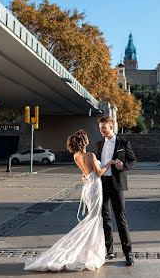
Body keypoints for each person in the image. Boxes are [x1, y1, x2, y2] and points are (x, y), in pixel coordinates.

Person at [24, 130, 114, 272]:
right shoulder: (90, 155)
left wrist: (86, 177)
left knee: (93, 219)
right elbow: (99, 172)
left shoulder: (76, 156)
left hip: (87, 189)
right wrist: (109, 162)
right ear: (84, 141)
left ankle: (87, 251)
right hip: (95, 188)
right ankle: (84, 251)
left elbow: (85, 175)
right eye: (87, 138)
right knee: (94, 219)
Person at [85, 116, 136, 266]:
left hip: (117, 184)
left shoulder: (123, 143)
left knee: (120, 218)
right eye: (100, 128)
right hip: (102, 184)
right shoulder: (98, 145)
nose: (101, 131)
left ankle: (128, 253)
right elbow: (95, 166)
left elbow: (133, 161)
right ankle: (109, 250)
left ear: (111, 127)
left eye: (104, 128)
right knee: (105, 218)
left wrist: (123, 167)